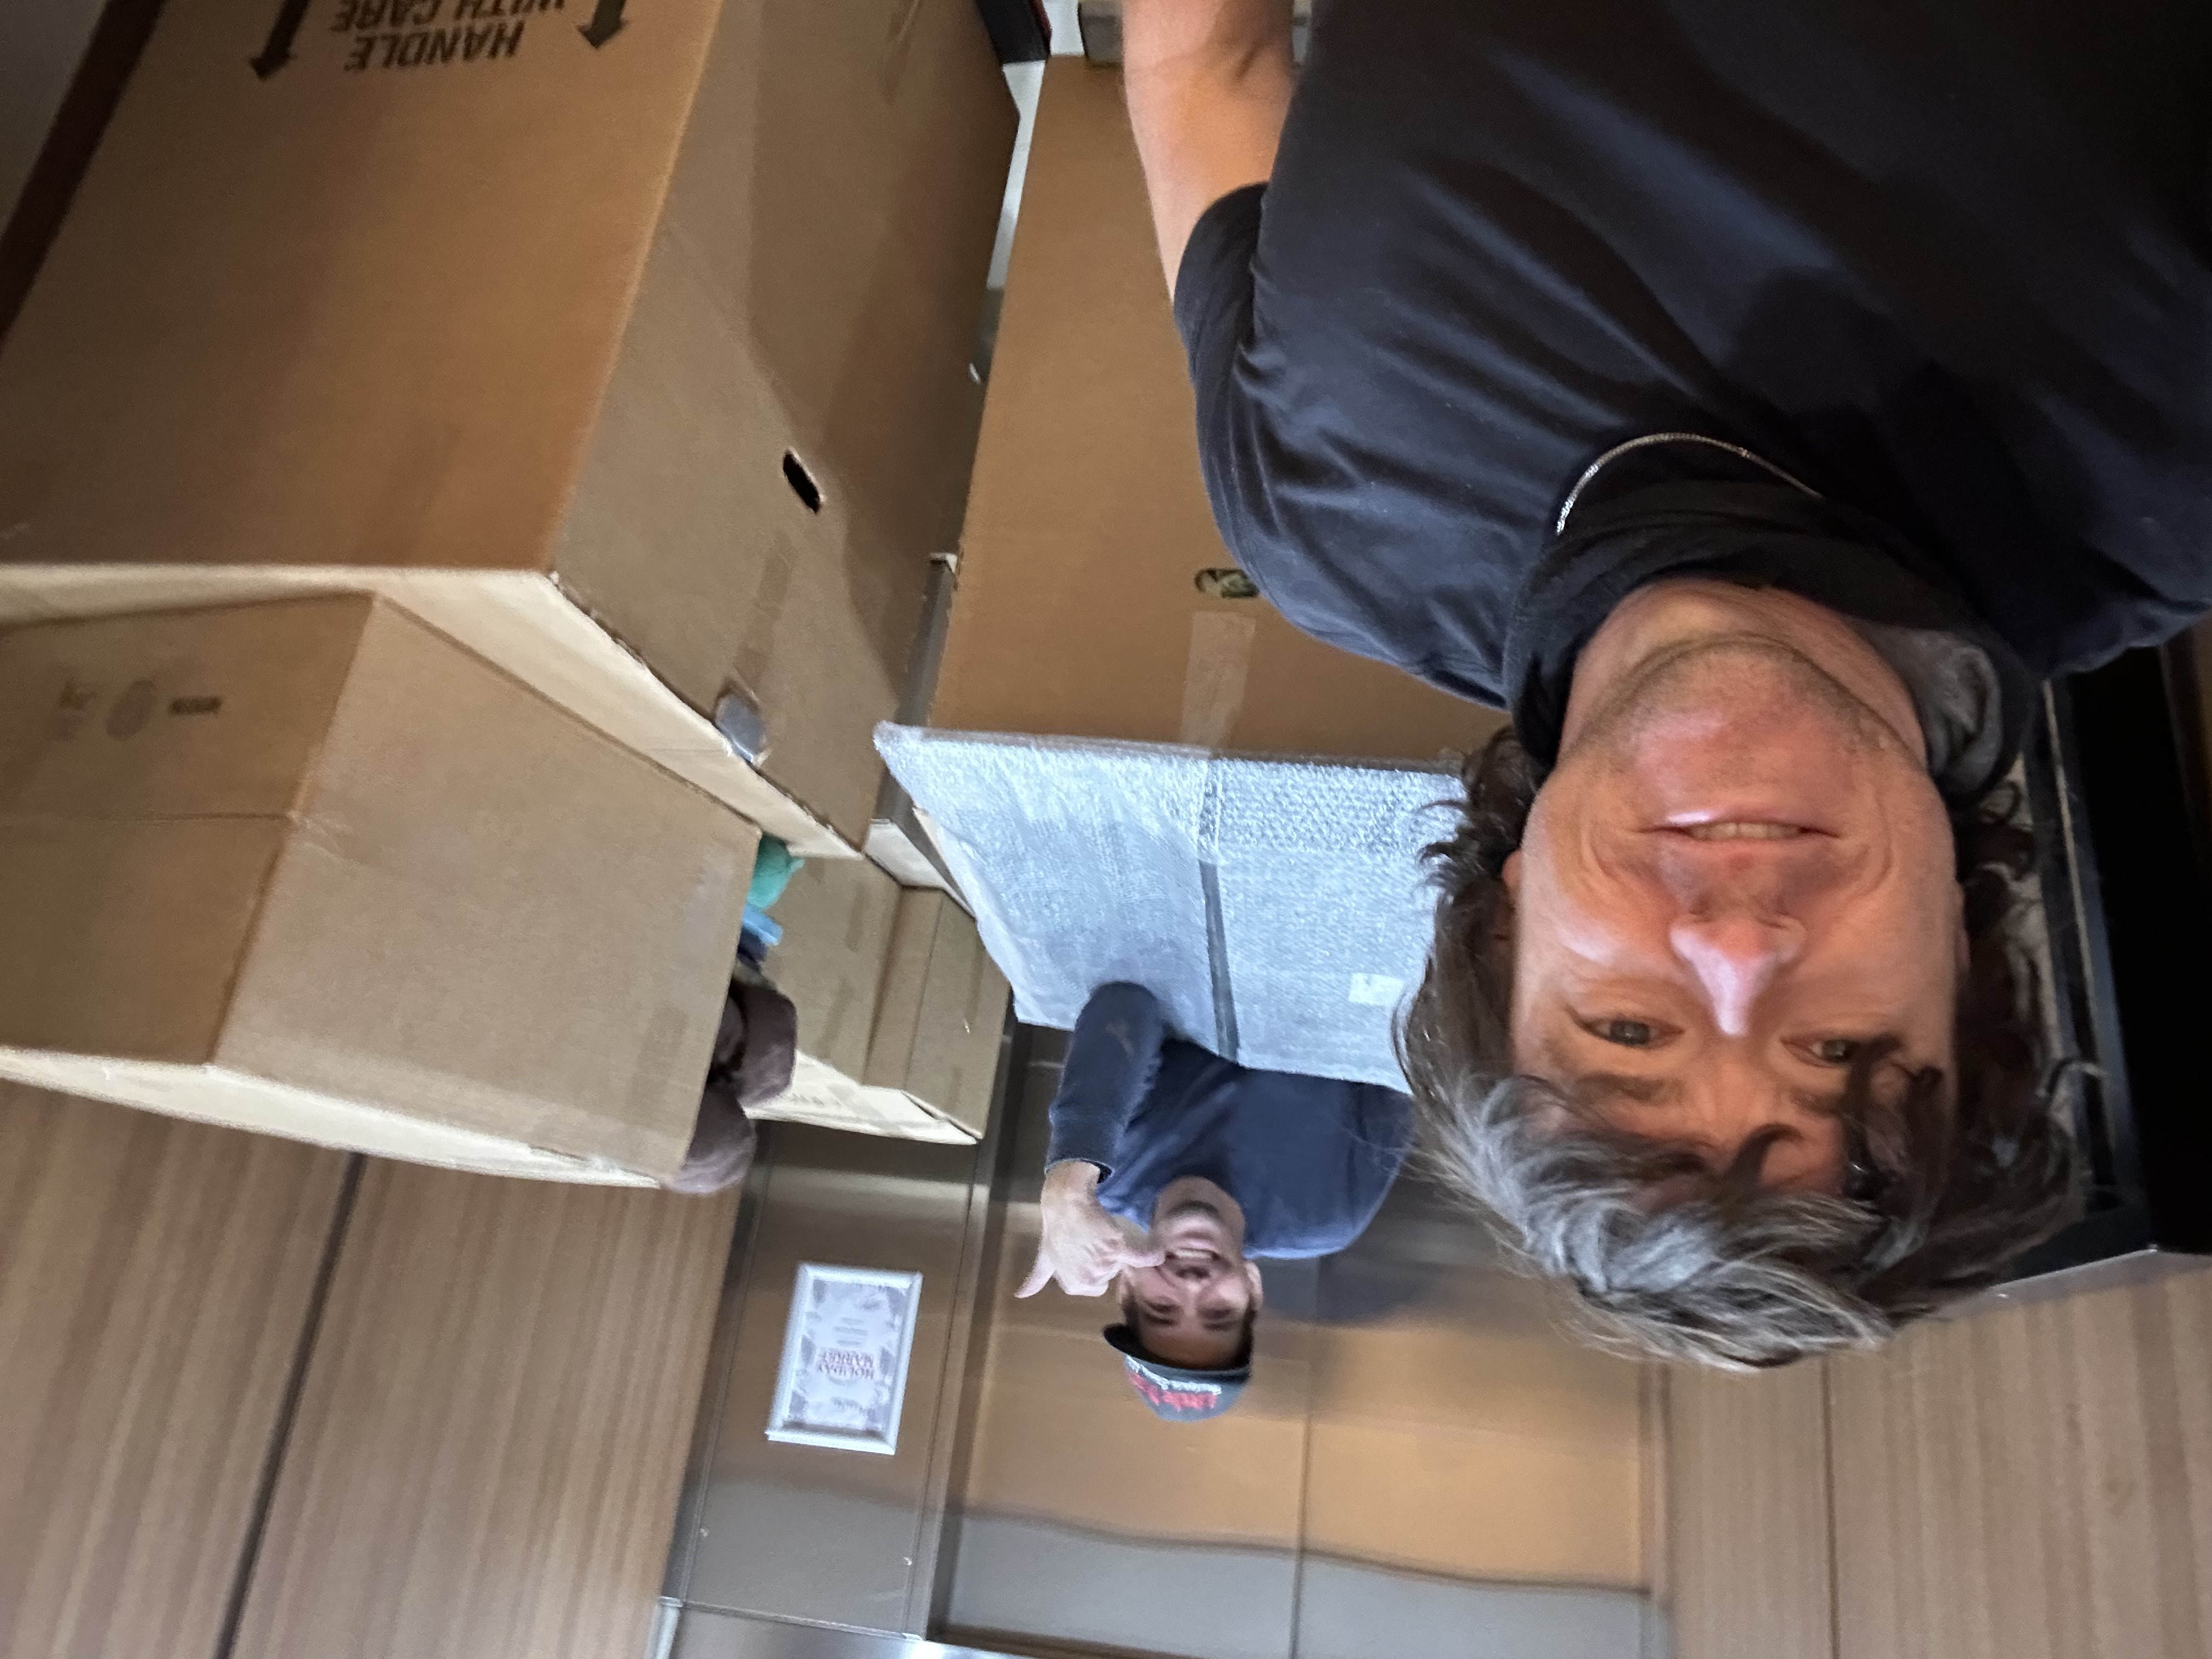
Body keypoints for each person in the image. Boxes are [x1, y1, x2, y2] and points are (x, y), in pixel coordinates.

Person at [1121, 0, 2212, 1364]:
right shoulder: (2171, 452)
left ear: (1509, 932)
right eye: (1839, 1049)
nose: (1740, 953)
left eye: (1629, 1025)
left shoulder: (1325, 527)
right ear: (1965, 949)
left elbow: (1203, 62)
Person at [1019, 982, 1410, 1420]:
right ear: (1253, 1290)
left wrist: (1069, 1179)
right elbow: (1407, 1052)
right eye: (1219, 1313)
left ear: (1128, 1284)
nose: (1191, 1286)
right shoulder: (1329, 1213)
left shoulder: (1104, 1167)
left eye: (1162, 1309)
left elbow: (1127, 1001)